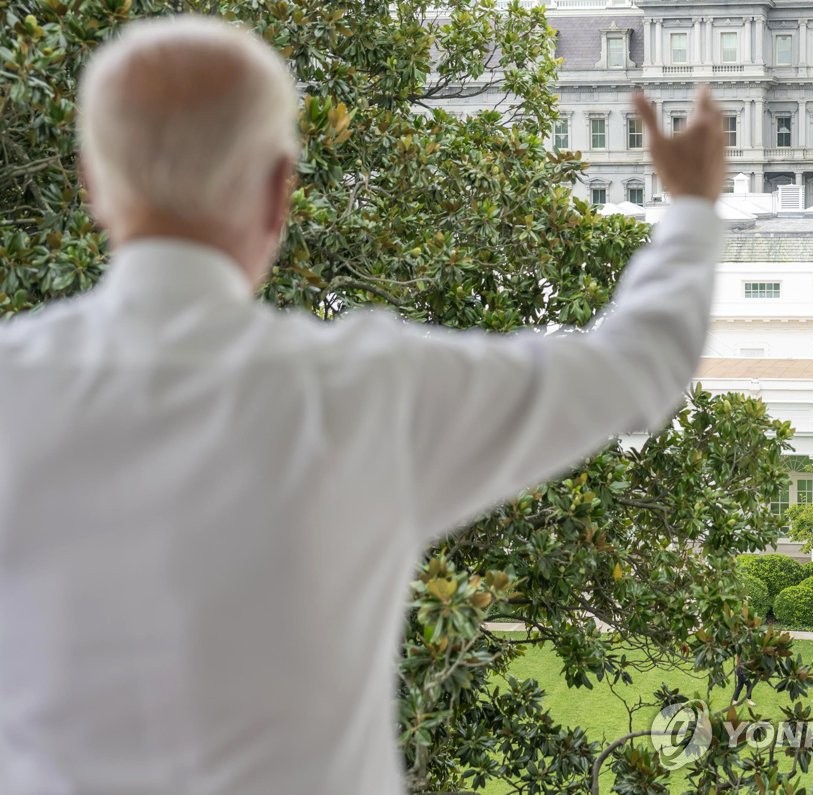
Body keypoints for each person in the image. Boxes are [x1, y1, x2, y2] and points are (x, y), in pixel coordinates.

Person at [0, 15, 727, 795]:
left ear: (89, 181)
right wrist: (689, 204)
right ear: (281, 190)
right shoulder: (366, 390)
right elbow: (640, 366)